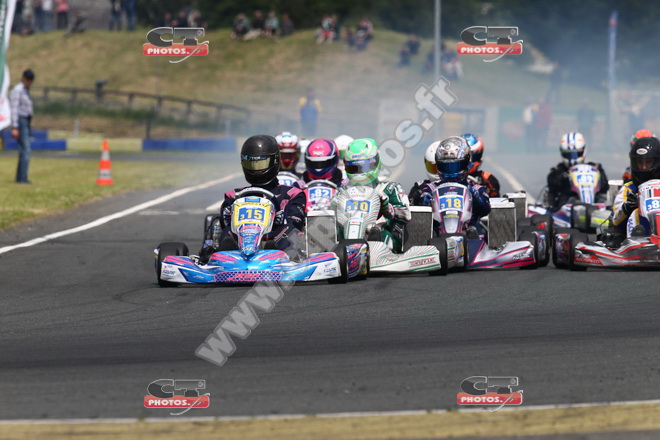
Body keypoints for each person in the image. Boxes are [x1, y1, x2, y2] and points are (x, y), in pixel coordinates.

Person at [199, 135, 306, 262]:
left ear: (275, 161)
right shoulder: (234, 195)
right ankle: (226, 256)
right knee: (228, 231)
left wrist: (280, 218)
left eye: (261, 164)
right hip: (242, 241)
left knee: (289, 230)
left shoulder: (291, 194)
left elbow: (296, 222)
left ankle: (277, 253)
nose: (256, 170)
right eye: (251, 164)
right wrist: (228, 215)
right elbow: (224, 223)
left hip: (275, 241)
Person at [341, 138, 411, 253]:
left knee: (382, 232)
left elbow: (406, 216)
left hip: (382, 237)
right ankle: (346, 252)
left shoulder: (390, 188)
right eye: (354, 168)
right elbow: (330, 214)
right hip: (348, 237)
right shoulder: (343, 190)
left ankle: (377, 248)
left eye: (365, 167)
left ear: (376, 162)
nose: (360, 172)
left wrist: (387, 208)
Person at [414, 136, 491, 238]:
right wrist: (424, 201)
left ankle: (473, 237)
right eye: (445, 167)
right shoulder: (430, 188)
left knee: (475, 229)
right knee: (427, 231)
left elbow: (485, 210)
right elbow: (420, 207)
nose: (450, 172)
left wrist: (476, 197)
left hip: (469, 233)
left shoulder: (476, 188)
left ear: (466, 164)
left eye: (455, 166)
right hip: (438, 236)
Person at [546, 132, 609, 211]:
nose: (572, 158)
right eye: (568, 154)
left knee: (601, 198)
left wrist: (599, 177)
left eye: (576, 153)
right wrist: (564, 177)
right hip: (567, 206)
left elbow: (605, 187)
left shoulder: (594, 168)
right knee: (568, 198)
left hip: (595, 204)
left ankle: (596, 209)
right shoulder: (559, 170)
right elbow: (553, 186)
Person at [611, 136, 660, 238]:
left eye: (648, 162)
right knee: (636, 213)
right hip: (638, 238)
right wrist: (627, 208)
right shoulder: (628, 189)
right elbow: (615, 221)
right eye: (640, 162)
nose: (643, 167)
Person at [10, 69, 35, 184]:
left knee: (24, 150)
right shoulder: (18, 90)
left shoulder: (25, 90)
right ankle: (22, 178)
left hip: (26, 121)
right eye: (28, 79)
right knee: (26, 149)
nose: (29, 81)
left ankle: (20, 177)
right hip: (21, 121)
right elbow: (14, 109)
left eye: (31, 79)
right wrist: (15, 126)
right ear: (23, 78)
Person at [463, 133, 501, 197]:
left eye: (472, 156)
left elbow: (495, 199)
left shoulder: (487, 178)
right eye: (465, 156)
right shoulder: (447, 179)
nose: (468, 160)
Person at [408, 141, 440, 205]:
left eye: (442, 167)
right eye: (433, 167)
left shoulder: (460, 185)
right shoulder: (419, 187)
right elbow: (409, 207)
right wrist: (416, 200)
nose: (439, 172)